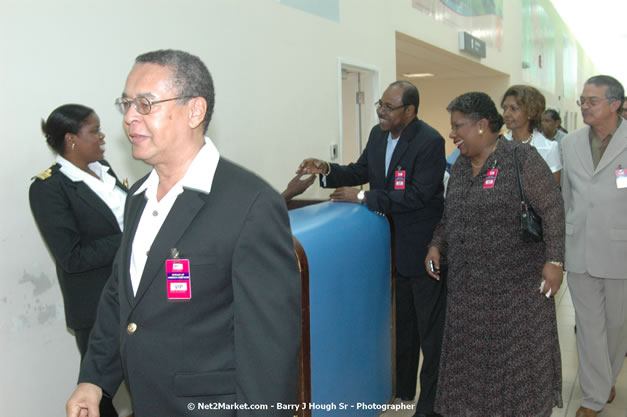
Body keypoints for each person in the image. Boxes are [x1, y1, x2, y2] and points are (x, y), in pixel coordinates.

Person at [65, 50, 301, 417]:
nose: (129, 118)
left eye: (145, 104)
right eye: (126, 103)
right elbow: (121, 295)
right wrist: (94, 378)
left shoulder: (250, 204)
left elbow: (270, 349)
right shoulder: (138, 197)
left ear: (195, 111)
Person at [297, 81, 446, 417]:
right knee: (402, 327)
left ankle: (431, 406)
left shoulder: (430, 142)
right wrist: (327, 170)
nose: (381, 111)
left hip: (423, 250)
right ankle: (403, 392)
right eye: (381, 103)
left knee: (430, 335)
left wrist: (365, 196)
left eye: (389, 107)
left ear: (409, 111)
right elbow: (361, 170)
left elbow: (419, 195)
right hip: (386, 247)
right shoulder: (379, 136)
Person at [426, 92, 564, 417]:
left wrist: (554, 260)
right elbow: (450, 215)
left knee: (515, 367)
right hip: (467, 292)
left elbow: (553, 209)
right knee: (471, 368)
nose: (452, 134)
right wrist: (436, 244)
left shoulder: (521, 158)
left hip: (515, 292)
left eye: (458, 126)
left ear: (483, 125)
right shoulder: (460, 165)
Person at [29, 104, 126, 417]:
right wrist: (132, 238)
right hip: (97, 308)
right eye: (94, 130)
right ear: (71, 139)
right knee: (100, 396)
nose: (102, 136)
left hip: (136, 297)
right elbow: (71, 257)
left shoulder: (104, 169)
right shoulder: (48, 188)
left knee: (153, 380)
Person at [562, 75, 627, 417]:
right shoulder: (570, 143)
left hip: (620, 250)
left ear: (615, 104)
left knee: (617, 328)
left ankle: (605, 379)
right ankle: (593, 397)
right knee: (588, 328)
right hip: (579, 248)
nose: (585, 106)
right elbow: (566, 198)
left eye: (592, 101)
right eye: (582, 101)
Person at [501, 85, 562, 183]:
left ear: (532, 112)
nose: (506, 114)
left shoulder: (548, 148)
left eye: (513, 108)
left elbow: (553, 192)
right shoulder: (499, 144)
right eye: (505, 108)